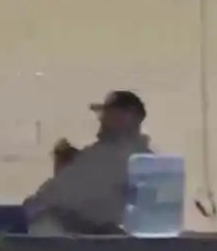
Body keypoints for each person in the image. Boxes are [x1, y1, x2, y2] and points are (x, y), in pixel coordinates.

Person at [24, 90, 152, 234]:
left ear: (129, 117)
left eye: (110, 113)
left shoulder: (133, 159)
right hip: (50, 218)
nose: (102, 119)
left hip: (71, 230)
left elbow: (81, 199)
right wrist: (67, 166)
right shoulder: (103, 151)